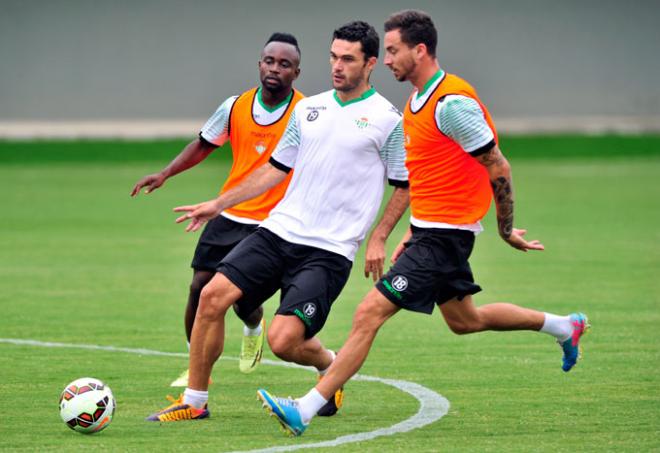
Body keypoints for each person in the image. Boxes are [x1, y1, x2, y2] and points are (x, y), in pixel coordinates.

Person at [257, 9, 590, 437]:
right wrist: (413, 231)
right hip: (430, 233)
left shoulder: (451, 103)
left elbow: (497, 165)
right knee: (465, 320)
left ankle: (306, 408)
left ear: (420, 50)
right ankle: (564, 325)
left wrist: (506, 229)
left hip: (448, 237)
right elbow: (432, 175)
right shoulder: (415, 102)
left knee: (368, 313)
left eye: (393, 50)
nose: (387, 58)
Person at [145, 20, 410, 423]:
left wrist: (379, 237)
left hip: (329, 249)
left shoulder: (387, 119)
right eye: (334, 57)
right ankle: (194, 402)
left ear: (371, 63)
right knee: (210, 296)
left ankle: (329, 364)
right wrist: (219, 203)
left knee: (284, 341)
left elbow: (405, 185)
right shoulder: (308, 109)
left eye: (348, 59)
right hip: (278, 231)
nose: (337, 66)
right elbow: (274, 169)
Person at [131, 33, 304, 385]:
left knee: (240, 300)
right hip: (228, 213)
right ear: (260, 64)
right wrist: (166, 173)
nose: (275, 68)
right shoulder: (235, 106)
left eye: (284, 64)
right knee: (198, 286)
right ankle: (197, 370)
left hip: (273, 223)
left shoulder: (306, 112)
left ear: (296, 72)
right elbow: (203, 144)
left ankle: (254, 325)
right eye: (269, 61)